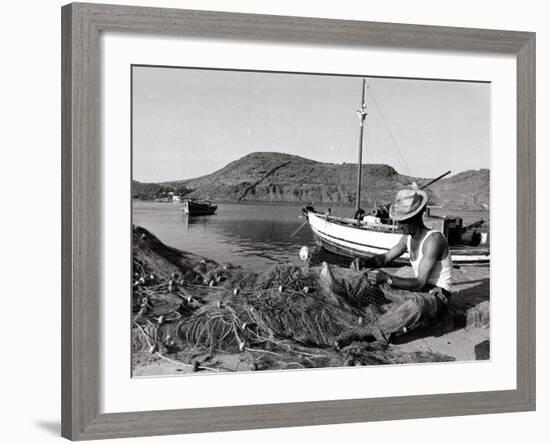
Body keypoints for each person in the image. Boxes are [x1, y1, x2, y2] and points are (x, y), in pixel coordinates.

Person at [328, 188, 453, 348]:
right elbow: (385, 258)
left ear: (415, 218)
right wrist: (365, 262)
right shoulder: (407, 239)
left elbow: (420, 283)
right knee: (369, 277)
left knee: (416, 304)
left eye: (402, 221)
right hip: (417, 291)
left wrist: (387, 278)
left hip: (435, 297)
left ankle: (365, 332)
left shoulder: (434, 240)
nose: (398, 225)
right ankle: (341, 295)